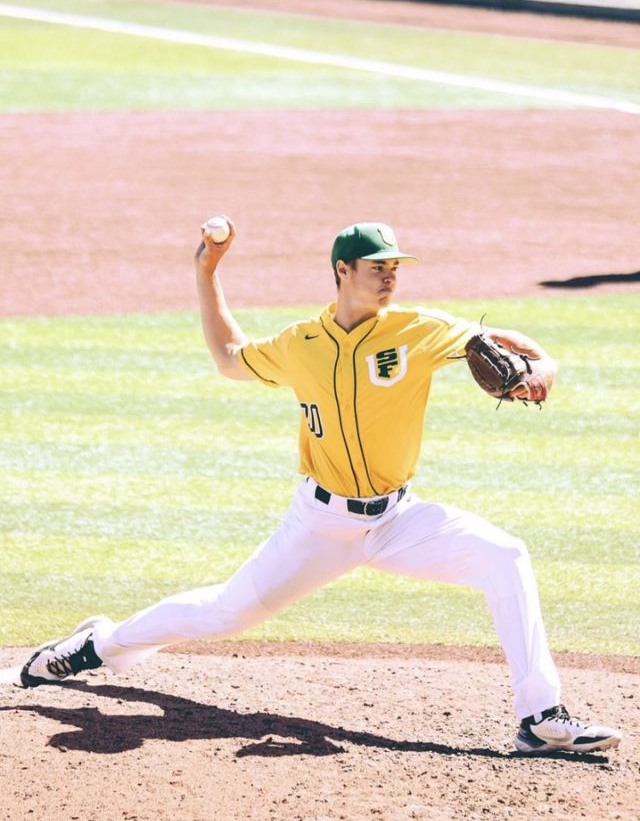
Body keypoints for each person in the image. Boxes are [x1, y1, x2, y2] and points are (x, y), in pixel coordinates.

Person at [19, 218, 622, 756]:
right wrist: (208, 273)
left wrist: (542, 368)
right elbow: (231, 357)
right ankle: (100, 645)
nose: (390, 278)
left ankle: (540, 717)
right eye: (377, 267)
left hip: (398, 520)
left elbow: (516, 345)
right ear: (342, 270)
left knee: (505, 555)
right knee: (225, 613)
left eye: (395, 268)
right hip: (320, 526)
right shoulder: (300, 343)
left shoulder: (419, 330)